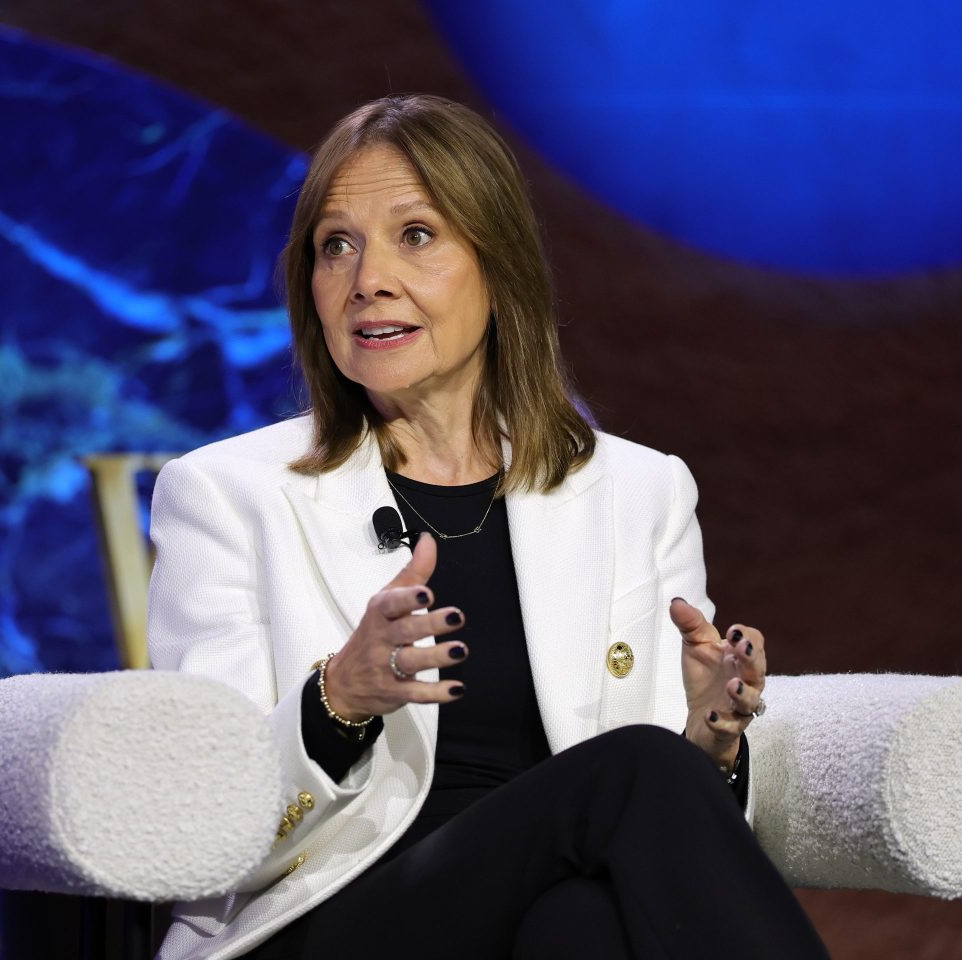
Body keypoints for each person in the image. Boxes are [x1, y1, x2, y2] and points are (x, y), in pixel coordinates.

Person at [147, 94, 827, 959]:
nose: (368, 280)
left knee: (580, 929)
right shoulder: (226, 494)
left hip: (533, 908)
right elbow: (210, 826)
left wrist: (712, 739)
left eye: (416, 235)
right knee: (633, 770)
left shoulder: (640, 491)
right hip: (322, 922)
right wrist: (339, 700)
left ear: (497, 264)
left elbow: (669, 842)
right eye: (336, 245)